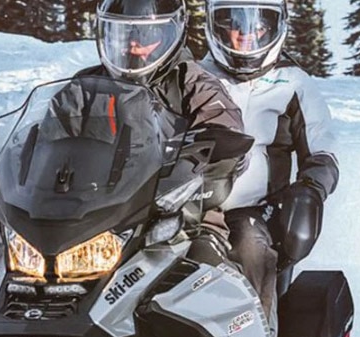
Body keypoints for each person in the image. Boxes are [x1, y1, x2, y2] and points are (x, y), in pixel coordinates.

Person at [201, 0, 340, 327]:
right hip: (188, 203)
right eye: (234, 22)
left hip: (255, 208)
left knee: (251, 248)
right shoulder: (196, 76)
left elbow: (323, 149)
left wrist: (310, 188)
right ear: (216, 26)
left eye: (259, 25)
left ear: (276, 27)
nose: (247, 34)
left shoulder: (292, 82)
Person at [78, 0, 247, 265]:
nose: (133, 45)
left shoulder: (195, 85)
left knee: (203, 270)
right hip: (90, 223)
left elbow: (225, 131)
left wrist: (214, 158)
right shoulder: (83, 89)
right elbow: (43, 142)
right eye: (122, 34)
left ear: (171, 33)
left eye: (146, 35)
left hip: (182, 222)